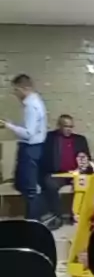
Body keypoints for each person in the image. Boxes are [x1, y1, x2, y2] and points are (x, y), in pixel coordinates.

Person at [0, 74, 47, 220]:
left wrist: (8, 126)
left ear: (24, 88)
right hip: (34, 148)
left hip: (30, 150)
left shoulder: (30, 106)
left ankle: (34, 221)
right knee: (23, 184)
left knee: (29, 189)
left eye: (16, 90)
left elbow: (28, 133)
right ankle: (36, 216)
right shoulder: (36, 101)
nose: (15, 94)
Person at [40, 114, 91, 229]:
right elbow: (44, 158)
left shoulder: (80, 140)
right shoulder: (50, 138)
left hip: (76, 174)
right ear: (59, 126)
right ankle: (57, 217)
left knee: (83, 184)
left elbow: (87, 159)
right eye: (66, 126)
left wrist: (83, 167)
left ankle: (77, 216)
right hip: (58, 174)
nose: (69, 129)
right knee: (50, 183)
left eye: (71, 127)